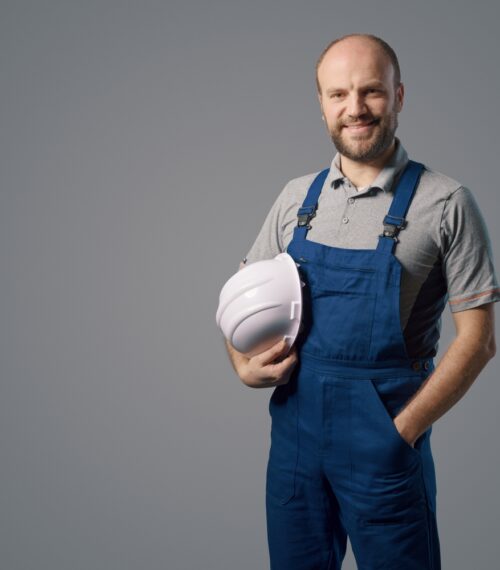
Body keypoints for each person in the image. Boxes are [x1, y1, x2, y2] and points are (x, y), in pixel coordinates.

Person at [223, 33, 499, 569]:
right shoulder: (294, 199)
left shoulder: (446, 204)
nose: (355, 109)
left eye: (371, 91)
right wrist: (241, 365)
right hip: (296, 444)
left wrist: (403, 433)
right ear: (322, 105)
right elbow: (239, 301)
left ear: (398, 96)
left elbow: (479, 342)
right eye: (338, 94)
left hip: (385, 441)